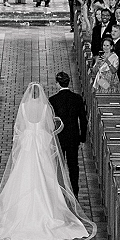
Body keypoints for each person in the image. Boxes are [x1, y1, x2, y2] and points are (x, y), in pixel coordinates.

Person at [0, 82, 96, 240]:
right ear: (40, 94)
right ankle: (48, 213)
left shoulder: (24, 106)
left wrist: (22, 140)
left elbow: (18, 128)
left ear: (28, 94)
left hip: (28, 145)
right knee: (45, 176)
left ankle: (17, 215)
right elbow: (49, 128)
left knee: (22, 175)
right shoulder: (46, 108)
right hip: (40, 145)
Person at [49, 71, 88, 199]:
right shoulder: (77, 98)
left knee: (59, 165)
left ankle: (59, 192)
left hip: (59, 137)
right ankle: (75, 191)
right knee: (73, 165)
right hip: (73, 137)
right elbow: (83, 119)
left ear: (57, 83)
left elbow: (51, 121)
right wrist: (83, 138)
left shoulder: (53, 100)